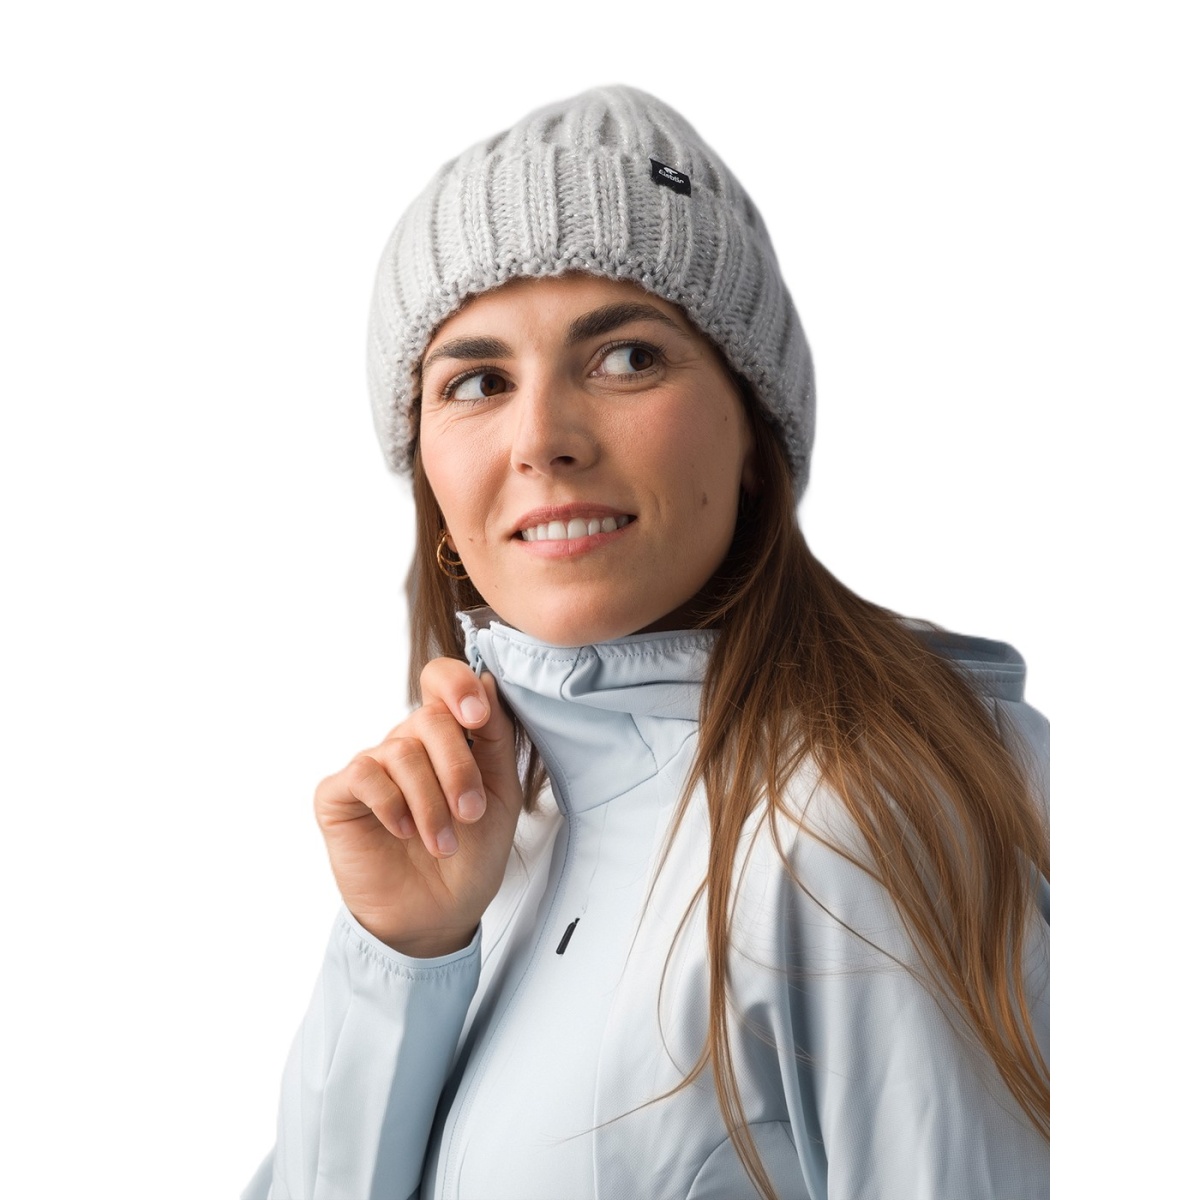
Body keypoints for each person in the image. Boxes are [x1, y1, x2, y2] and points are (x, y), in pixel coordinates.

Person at [243, 85, 1050, 1200]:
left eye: (625, 358)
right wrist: (403, 959)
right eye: (477, 382)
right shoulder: (494, 830)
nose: (542, 440)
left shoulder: (847, 838)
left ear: (753, 432)